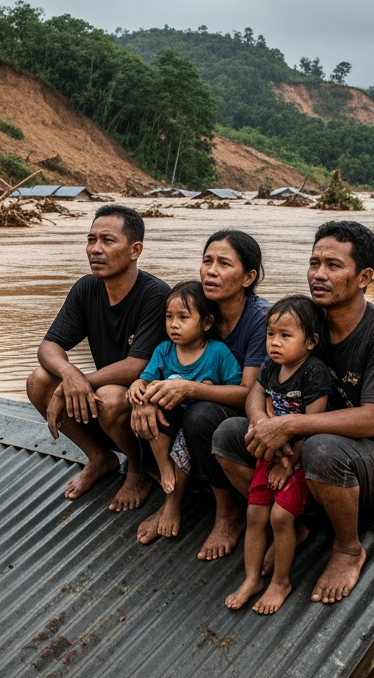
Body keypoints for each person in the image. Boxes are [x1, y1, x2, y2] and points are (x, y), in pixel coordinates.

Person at [213, 220, 374, 604]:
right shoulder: (306, 323)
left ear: (364, 277)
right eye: (314, 263)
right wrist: (263, 423)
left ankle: (347, 547)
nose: (319, 275)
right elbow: (258, 389)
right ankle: (295, 521)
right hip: (308, 444)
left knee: (321, 449)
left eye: (333, 265)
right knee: (229, 435)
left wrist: (289, 425)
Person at [134, 230, 270, 556]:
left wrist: (190, 388)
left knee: (201, 415)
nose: (211, 270)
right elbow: (159, 362)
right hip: (197, 402)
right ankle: (178, 492)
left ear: (248, 277)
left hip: (249, 415)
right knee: (143, 408)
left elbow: (250, 394)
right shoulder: (193, 304)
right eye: (207, 261)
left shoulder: (260, 320)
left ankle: (227, 514)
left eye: (224, 264)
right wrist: (146, 396)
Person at [26, 205, 170, 511]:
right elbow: (48, 346)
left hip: (148, 405)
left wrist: (73, 385)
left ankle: (138, 469)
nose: (95, 249)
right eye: (91, 240)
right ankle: (99, 457)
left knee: (110, 397)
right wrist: (69, 375)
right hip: (106, 401)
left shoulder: (154, 295)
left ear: (135, 250)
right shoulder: (86, 288)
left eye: (108, 241)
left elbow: (136, 365)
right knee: (39, 380)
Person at [225, 295, 331, 615]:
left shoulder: (314, 373)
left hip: (299, 458)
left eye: (286, 336)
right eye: (271, 334)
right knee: (255, 514)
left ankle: (281, 582)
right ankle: (252, 578)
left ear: (311, 342)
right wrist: (264, 426)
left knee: (280, 517)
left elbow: (314, 424)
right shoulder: (272, 368)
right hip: (271, 456)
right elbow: (263, 403)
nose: (275, 343)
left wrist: (290, 465)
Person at [127, 281, 242, 536]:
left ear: (207, 323)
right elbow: (146, 378)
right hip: (169, 418)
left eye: (183, 317)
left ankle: (175, 497)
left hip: (198, 428)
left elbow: (237, 392)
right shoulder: (164, 350)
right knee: (152, 401)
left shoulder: (217, 352)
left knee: (191, 422)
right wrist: (138, 386)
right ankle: (164, 467)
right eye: (169, 317)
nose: (174, 324)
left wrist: (207, 389)